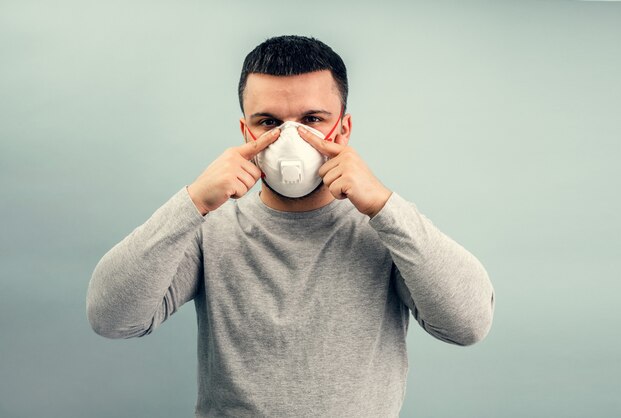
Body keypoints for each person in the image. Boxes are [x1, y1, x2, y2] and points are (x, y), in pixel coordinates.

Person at [86, 35, 495, 418]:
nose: (290, 140)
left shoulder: (387, 231)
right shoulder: (209, 231)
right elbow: (111, 318)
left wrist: (385, 206)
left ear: (344, 130)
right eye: (268, 122)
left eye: (313, 119)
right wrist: (192, 202)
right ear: (245, 132)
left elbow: (468, 325)